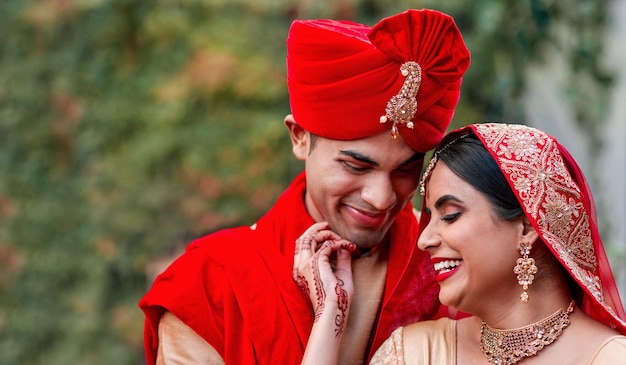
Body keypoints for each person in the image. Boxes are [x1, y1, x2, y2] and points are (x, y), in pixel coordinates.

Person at [138, 9, 470, 364]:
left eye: (406, 170)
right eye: (355, 165)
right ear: (299, 138)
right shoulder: (207, 285)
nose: (382, 197)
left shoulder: (456, 258)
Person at [297, 123, 626, 364]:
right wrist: (330, 316)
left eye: (450, 215)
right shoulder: (415, 354)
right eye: (428, 217)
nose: (424, 239)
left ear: (527, 226)